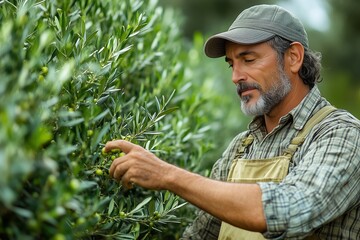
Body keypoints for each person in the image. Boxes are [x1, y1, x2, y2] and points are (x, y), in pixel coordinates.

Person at [105, 4, 360, 240]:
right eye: (231, 65)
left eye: (248, 60)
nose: (236, 77)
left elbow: (290, 209)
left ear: (293, 57)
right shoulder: (241, 148)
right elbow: (200, 235)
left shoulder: (341, 134)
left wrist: (168, 175)